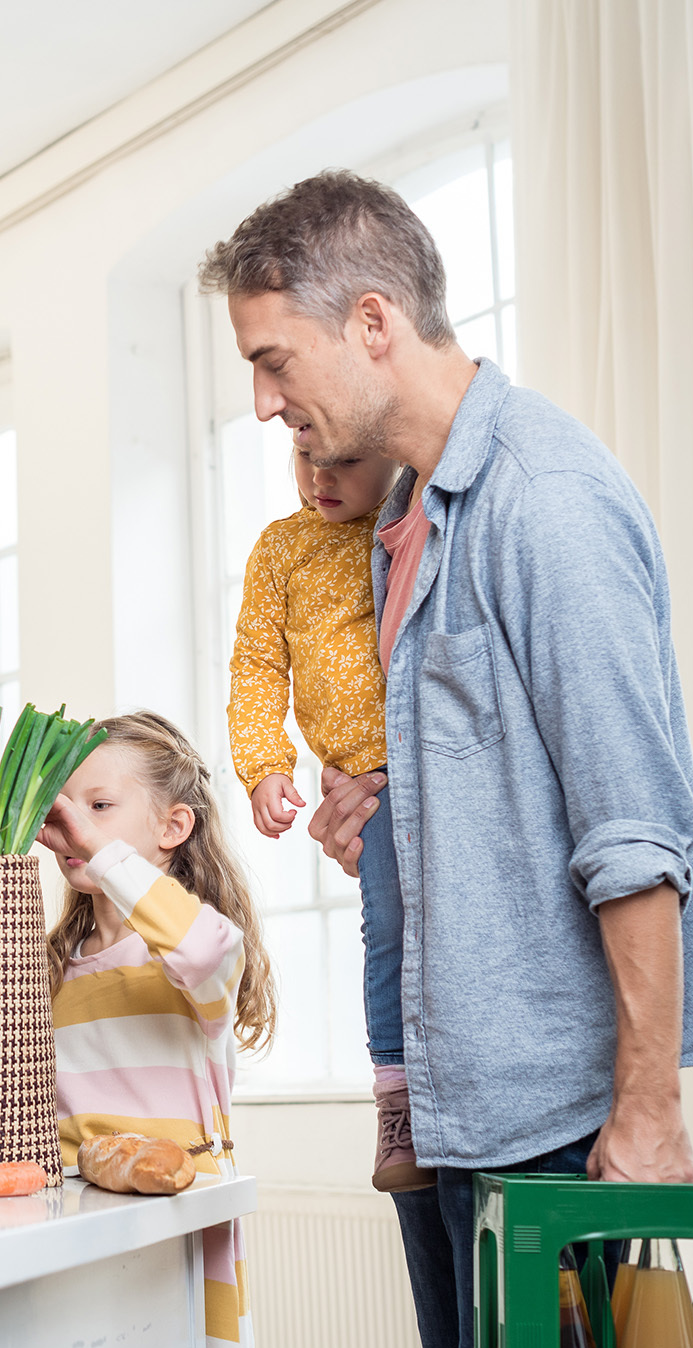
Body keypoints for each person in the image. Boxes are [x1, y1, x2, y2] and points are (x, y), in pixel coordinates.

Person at [197, 170, 693, 1348]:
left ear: (369, 323)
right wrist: (385, 813)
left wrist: (651, 1112)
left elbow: (632, 828)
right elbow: (481, 783)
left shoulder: (542, 503)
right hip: (456, 1101)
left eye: (272, 360)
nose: (262, 404)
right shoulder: (400, 517)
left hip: (561, 1125)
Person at [40, 712, 276, 1348]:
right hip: (80, 1239)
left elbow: (205, 946)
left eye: (101, 805)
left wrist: (99, 849)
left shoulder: (190, 953)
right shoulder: (54, 963)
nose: (74, 823)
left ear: (173, 827)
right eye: (66, 804)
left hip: (176, 1238)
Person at [227, 445, 426, 1192]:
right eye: (305, 458)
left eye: (342, 462)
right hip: (365, 781)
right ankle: (397, 1096)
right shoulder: (285, 547)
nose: (319, 479)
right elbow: (255, 665)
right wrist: (265, 764)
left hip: (436, 760)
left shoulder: (407, 522)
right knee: (389, 928)